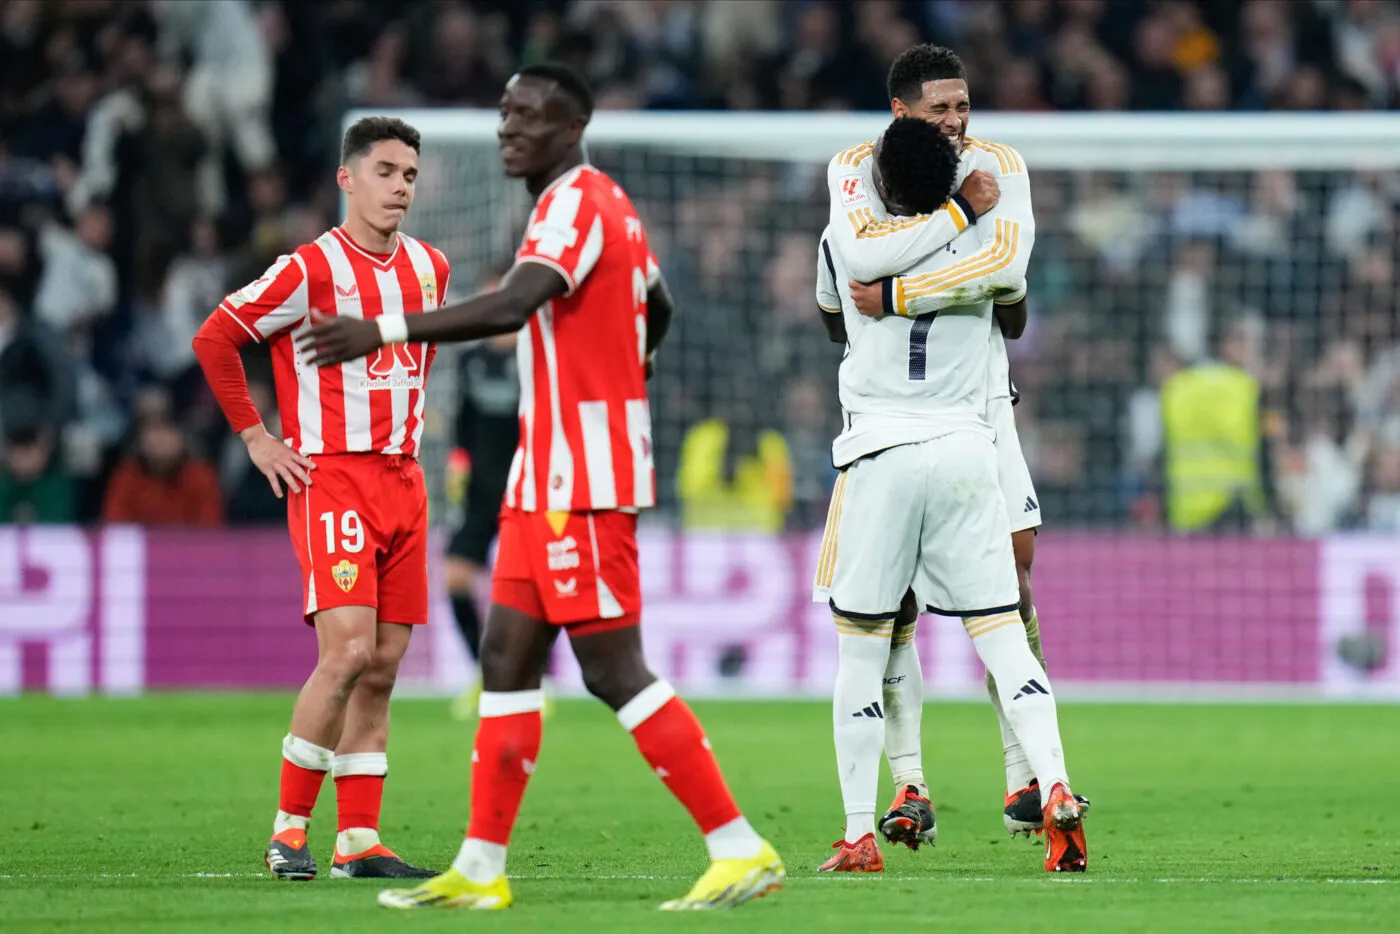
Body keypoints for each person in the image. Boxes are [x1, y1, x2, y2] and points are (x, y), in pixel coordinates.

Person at [298, 62, 784, 912]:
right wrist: (631, 361)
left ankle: (738, 846)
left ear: (572, 128)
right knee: (505, 658)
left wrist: (380, 329)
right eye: (504, 113)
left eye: (528, 116)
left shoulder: (576, 202)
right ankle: (480, 868)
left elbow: (512, 304)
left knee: (612, 668)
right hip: (539, 480)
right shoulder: (604, 206)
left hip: (582, 480)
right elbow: (659, 301)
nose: (508, 129)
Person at [821, 44, 1088, 862]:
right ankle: (912, 782)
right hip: (946, 424)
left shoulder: (999, 166)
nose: (956, 121)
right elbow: (986, 283)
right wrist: (956, 231)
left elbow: (1006, 271)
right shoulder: (854, 168)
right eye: (940, 109)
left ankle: (1022, 779)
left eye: (963, 105)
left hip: (974, 411)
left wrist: (894, 296)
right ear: (901, 112)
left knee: (1009, 581)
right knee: (927, 609)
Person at [191, 116, 446, 882]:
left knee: (386, 664)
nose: (399, 187)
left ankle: (359, 842)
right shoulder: (308, 269)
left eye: (409, 174)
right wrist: (256, 437)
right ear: (347, 178)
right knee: (349, 653)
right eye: (385, 171)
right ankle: (288, 831)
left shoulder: (430, 268)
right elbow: (215, 337)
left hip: (404, 480)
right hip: (332, 477)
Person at [443, 276, 520, 719]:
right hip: (478, 494)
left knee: (527, 591)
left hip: (523, 490)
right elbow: (462, 423)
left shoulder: (535, 358)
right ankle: (486, 674)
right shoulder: (470, 359)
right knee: (455, 579)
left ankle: (529, 678)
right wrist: (457, 462)